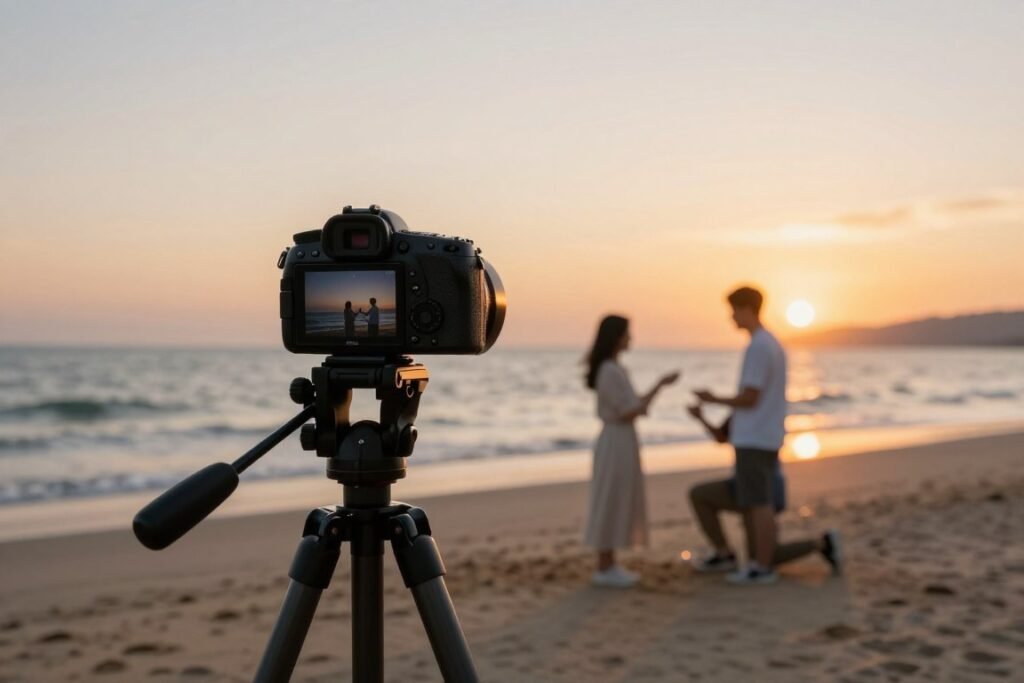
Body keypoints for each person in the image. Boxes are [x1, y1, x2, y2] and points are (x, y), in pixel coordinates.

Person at [691, 286, 841, 585]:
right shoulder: (769, 344)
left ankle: (762, 567)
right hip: (762, 438)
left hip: (756, 440)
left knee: (759, 504)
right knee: (752, 503)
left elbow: (750, 397)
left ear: (747, 308)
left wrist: (713, 399)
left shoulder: (759, 346)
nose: (731, 317)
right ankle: (760, 558)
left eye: (733, 310)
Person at [583, 314, 680, 588]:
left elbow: (633, 406)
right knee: (610, 497)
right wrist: (660, 386)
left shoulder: (614, 368)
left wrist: (660, 385)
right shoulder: (609, 370)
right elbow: (629, 410)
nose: (631, 338)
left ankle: (609, 562)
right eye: (627, 333)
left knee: (617, 496)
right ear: (616, 336)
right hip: (616, 440)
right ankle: (605, 565)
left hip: (621, 439)